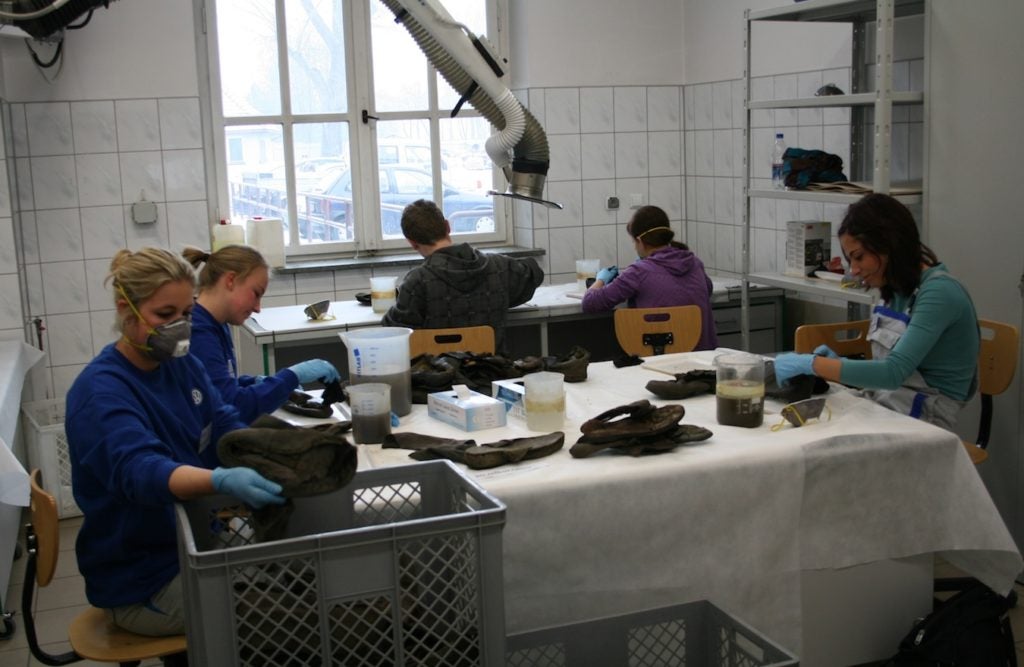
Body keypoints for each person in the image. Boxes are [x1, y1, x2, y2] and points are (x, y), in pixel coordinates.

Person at [66, 247, 287, 639]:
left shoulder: (181, 364)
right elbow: (142, 471)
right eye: (164, 316)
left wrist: (264, 454)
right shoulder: (101, 393)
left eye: (186, 314)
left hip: (195, 545)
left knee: (291, 582)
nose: (180, 327)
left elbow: (223, 422)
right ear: (125, 309)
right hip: (143, 579)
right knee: (278, 623)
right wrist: (219, 481)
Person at [773, 193, 980, 431]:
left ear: (890, 244)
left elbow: (892, 373)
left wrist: (814, 364)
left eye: (859, 257)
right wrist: (838, 365)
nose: (855, 269)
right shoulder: (895, 289)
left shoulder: (939, 293)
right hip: (888, 406)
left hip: (925, 423)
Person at [183, 245, 341, 424]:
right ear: (230, 280)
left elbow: (217, 386)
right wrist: (290, 376)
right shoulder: (198, 333)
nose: (258, 308)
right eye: (256, 294)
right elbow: (233, 407)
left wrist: (253, 382)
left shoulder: (217, 323)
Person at [381, 199, 544, 353]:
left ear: (412, 243)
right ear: (447, 227)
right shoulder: (498, 266)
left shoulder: (417, 282)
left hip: (438, 377)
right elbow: (534, 273)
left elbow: (393, 331)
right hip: (492, 371)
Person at [581, 205, 718, 351]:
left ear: (640, 241)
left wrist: (600, 280)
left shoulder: (638, 272)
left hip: (659, 360)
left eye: (634, 242)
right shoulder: (694, 263)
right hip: (703, 359)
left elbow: (590, 303)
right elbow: (707, 290)